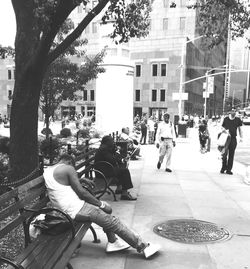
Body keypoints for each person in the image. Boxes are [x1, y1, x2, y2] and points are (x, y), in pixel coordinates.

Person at [43, 154, 160, 257]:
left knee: (107, 214)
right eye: (73, 167)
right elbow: (82, 193)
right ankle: (143, 246)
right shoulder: (68, 168)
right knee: (112, 220)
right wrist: (101, 204)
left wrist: (81, 180)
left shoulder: (49, 170)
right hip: (75, 209)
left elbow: (62, 185)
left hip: (65, 210)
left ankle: (113, 242)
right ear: (69, 162)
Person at [94, 136, 137, 200]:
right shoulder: (104, 149)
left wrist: (116, 152)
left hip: (104, 169)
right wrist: (117, 152)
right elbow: (112, 159)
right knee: (125, 171)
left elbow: (112, 158)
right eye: (111, 141)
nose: (113, 142)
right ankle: (124, 194)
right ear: (107, 142)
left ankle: (119, 188)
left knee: (121, 167)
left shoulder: (105, 147)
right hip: (103, 172)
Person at [220, 108, 243, 175]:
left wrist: (241, 137)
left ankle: (229, 169)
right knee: (224, 154)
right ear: (230, 112)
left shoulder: (238, 120)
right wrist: (224, 130)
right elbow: (222, 127)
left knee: (231, 154)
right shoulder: (226, 119)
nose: (234, 112)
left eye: (235, 111)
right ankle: (223, 167)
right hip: (226, 138)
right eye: (232, 111)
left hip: (233, 139)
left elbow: (240, 129)